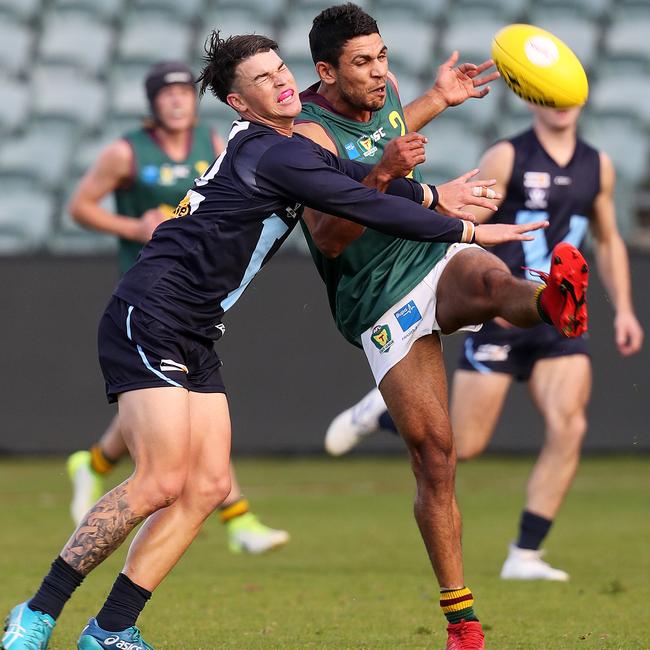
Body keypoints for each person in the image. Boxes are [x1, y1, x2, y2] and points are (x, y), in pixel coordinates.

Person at [2, 33, 548, 650]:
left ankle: (111, 629)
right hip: (151, 310)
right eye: (262, 79)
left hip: (196, 326)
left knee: (207, 488)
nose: (281, 81)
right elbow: (356, 201)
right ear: (240, 104)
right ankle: (36, 613)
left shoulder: (291, 148)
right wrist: (464, 225)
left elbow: (357, 177)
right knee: (159, 481)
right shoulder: (270, 151)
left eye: (279, 68)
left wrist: (424, 189)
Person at [291, 4, 586, 647]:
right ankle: (463, 622)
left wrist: (437, 99)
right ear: (326, 71)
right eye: (363, 62)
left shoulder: (386, 93)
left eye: (383, 55)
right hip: (373, 296)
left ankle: (552, 300)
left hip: (427, 247)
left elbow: (390, 127)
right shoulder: (308, 137)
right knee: (436, 457)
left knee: (491, 283)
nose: (379, 71)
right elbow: (331, 237)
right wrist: (389, 173)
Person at [323, 100, 644, 583]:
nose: (560, 105)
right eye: (550, 95)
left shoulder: (597, 164)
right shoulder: (508, 155)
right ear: (534, 95)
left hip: (560, 309)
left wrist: (624, 309)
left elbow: (609, 237)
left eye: (568, 95)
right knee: (464, 445)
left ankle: (525, 553)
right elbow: (470, 210)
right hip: (503, 305)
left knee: (569, 425)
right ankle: (383, 411)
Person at [66, 60, 289, 555]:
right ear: (152, 104)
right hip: (149, 288)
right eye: (165, 94)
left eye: (183, 93)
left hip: (197, 290)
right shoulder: (125, 151)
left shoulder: (217, 143)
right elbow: (80, 206)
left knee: (170, 415)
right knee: (177, 427)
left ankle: (97, 464)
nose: (176, 101)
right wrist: (132, 226)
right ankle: (240, 519)